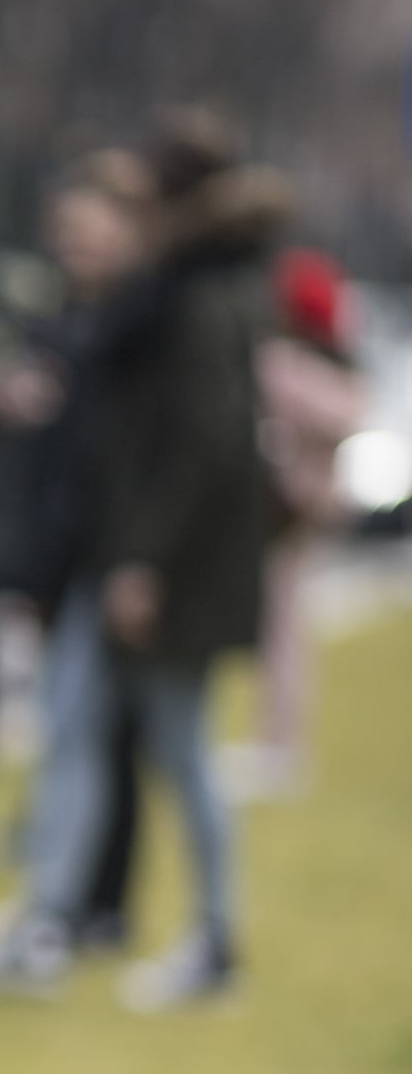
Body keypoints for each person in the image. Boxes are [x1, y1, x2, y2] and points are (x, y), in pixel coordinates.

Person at [0, 110, 282, 1010]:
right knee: (80, 737)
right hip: (117, 565)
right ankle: (50, 922)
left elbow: (202, 448)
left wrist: (142, 565)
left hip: (152, 573)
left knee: (179, 750)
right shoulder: (161, 298)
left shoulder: (192, 299)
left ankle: (211, 945)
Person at [0, 151, 156, 949]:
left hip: (108, 560)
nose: (74, 245)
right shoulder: (73, 322)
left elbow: (121, 462)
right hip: (79, 559)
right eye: (65, 233)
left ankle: (70, 912)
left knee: (97, 741)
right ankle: (82, 909)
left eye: (90, 230)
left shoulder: (134, 323)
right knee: (90, 738)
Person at [232, 248, 364, 793]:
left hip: (294, 512)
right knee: (280, 626)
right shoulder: (318, 364)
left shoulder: (297, 366)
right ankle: (275, 739)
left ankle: (282, 746)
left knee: (284, 628)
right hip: (295, 509)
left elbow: (344, 415)